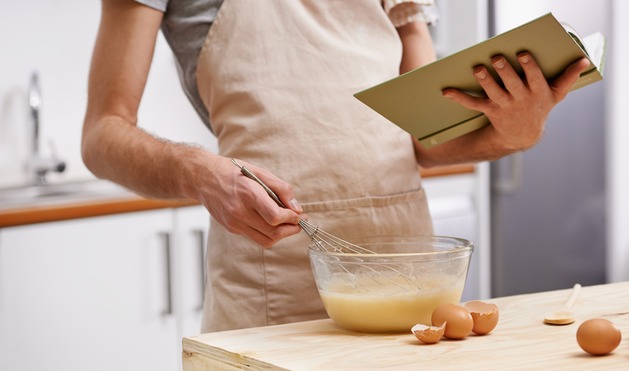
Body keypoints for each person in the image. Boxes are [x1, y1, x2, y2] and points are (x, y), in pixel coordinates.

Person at [82, 0, 590, 332]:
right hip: (271, 282)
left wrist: (513, 133)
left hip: (406, 270)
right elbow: (102, 133)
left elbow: (421, 137)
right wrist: (199, 171)